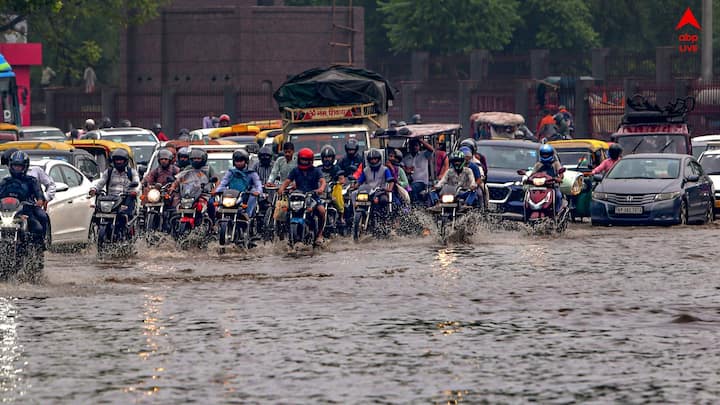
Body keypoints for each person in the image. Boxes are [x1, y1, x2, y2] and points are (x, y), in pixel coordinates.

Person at [278, 148, 327, 243]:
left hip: (312, 197)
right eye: (302, 160)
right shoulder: (295, 170)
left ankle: (320, 234)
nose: (304, 162)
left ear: (311, 160)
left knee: (322, 211)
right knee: (282, 210)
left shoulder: (316, 170)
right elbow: (287, 181)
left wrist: (321, 188)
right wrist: (281, 188)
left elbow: (322, 181)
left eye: (306, 160)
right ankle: (281, 234)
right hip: (298, 197)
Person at [0, 151, 47, 248]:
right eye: (15, 166)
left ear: (25, 167)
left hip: (26, 210)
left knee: (41, 219)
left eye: (19, 166)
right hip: (7, 211)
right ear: (10, 166)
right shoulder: (6, 181)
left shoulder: (31, 181)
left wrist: (39, 199)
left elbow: (39, 192)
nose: (17, 168)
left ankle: (40, 246)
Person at [89, 149, 141, 235]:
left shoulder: (131, 172)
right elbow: (100, 183)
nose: (119, 162)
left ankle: (127, 233)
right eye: (117, 160)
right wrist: (94, 189)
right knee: (97, 213)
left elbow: (137, 183)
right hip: (111, 200)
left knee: (125, 215)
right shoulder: (109, 172)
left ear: (125, 161)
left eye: (121, 160)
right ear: (114, 161)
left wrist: (134, 191)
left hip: (126, 199)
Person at [214, 149, 262, 219]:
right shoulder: (230, 172)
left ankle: (248, 216)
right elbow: (223, 183)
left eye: (241, 161)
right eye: (237, 161)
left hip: (245, 196)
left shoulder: (251, 173)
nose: (239, 163)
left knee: (253, 197)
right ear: (234, 162)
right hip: (232, 197)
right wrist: (218, 191)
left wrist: (258, 191)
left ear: (246, 161)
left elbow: (258, 184)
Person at [531, 144, 564, 212]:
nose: (545, 156)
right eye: (543, 154)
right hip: (538, 187)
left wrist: (559, 178)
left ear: (551, 154)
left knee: (558, 195)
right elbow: (532, 174)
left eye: (547, 154)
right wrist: (528, 179)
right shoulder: (538, 164)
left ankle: (557, 211)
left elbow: (561, 173)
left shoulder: (556, 164)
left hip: (552, 186)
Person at [319, 145, 346, 225]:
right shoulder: (318, 169)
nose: (327, 159)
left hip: (332, 191)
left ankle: (341, 216)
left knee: (337, 194)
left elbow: (342, 179)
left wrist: (339, 181)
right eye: (325, 157)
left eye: (329, 157)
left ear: (333, 158)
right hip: (321, 191)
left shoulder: (337, 168)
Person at [403, 138, 434, 203]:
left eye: (416, 145)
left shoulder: (424, 155)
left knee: (412, 189)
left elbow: (431, 149)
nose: (414, 147)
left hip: (422, 182)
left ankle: (415, 206)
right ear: (409, 146)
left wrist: (420, 140)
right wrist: (406, 170)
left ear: (419, 146)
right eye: (412, 145)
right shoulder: (406, 158)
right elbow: (401, 167)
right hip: (409, 182)